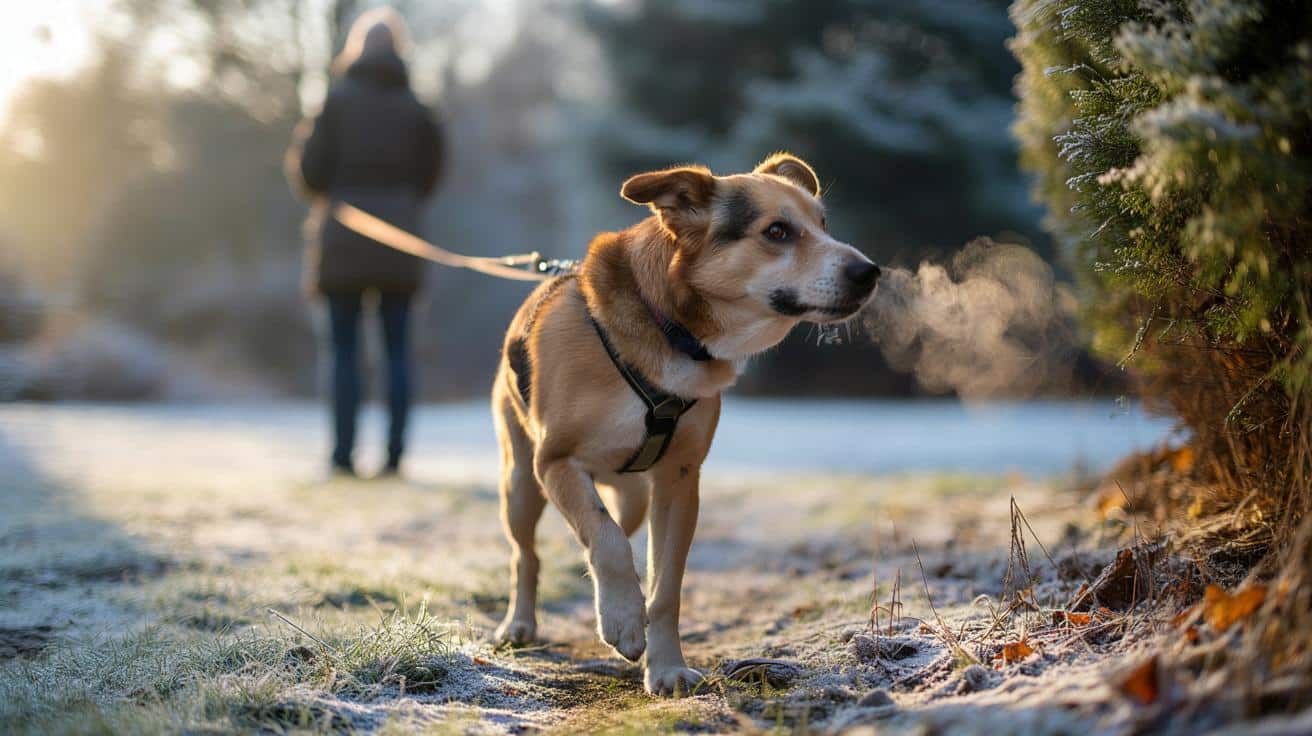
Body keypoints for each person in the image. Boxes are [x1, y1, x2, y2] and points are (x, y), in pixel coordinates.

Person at [286, 7, 443, 478]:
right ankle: (395, 457)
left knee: (344, 353)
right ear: (399, 51)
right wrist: (401, 201)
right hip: (400, 243)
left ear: (355, 49)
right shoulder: (418, 109)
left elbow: (309, 172)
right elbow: (431, 175)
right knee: (398, 353)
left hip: (343, 241)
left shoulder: (334, 102)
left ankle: (342, 456)